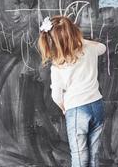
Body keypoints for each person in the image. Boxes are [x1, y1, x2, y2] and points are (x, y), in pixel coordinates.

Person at [38, 16, 106, 167]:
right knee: (94, 153)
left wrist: (63, 107)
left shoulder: (58, 65)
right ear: (75, 32)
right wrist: (82, 42)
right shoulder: (90, 49)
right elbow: (103, 47)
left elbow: (56, 95)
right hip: (97, 104)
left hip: (76, 109)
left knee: (79, 155)